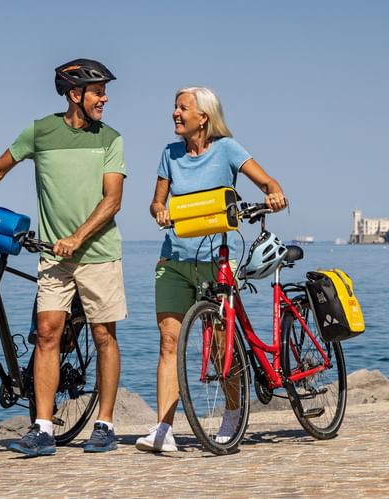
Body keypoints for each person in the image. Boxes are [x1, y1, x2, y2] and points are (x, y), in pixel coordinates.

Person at [0, 58, 127, 456]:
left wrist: (77, 237)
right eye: (98, 92)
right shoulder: (40, 131)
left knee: (103, 336)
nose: (105, 98)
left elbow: (112, 200)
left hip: (97, 253)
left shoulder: (110, 139)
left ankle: (105, 423)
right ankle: (43, 428)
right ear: (75, 94)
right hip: (52, 255)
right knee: (47, 333)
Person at [136, 86, 288, 452]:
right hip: (174, 258)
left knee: (222, 345)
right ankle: (163, 430)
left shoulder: (228, 150)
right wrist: (159, 210)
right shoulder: (169, 154)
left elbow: (268, 182)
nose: (175, 113)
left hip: (218, 258)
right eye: (174, 106)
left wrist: (274, 195)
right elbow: (157, 200)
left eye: (182, 107)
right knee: (168, 342)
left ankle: (233, 412)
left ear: (203, 116)